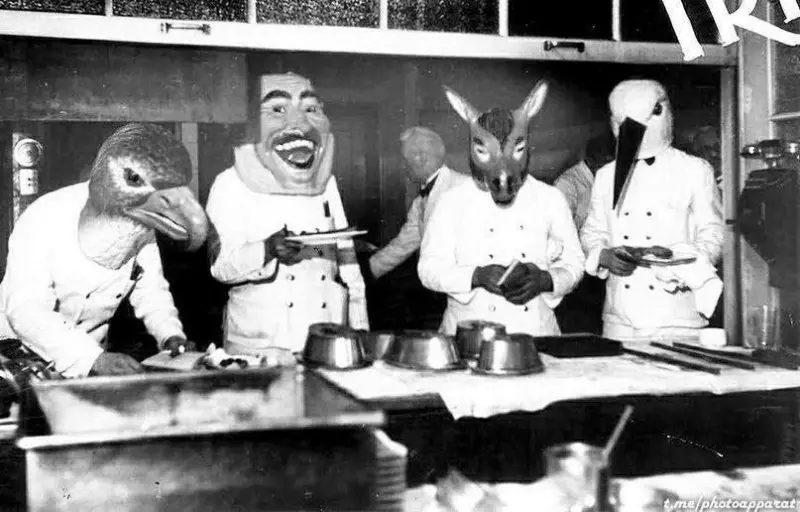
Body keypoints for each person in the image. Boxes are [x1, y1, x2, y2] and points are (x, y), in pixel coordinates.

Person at [0, 124, 207, 377]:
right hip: (17, 352)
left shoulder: (142, 225)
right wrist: (92, 359)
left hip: (89, 356)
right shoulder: (44, 216)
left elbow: (151, 291)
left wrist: (170, 335)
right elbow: (25, 310)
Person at [206, 72, 369, 359]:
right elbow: (220, 266)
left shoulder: (325, 182)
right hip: (262, 346)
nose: (300, 123)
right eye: (277, 109)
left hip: (326, 336)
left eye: (310, 109)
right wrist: (266, 250)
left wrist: (360, 327)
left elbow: (347, 259)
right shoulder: (229, 183)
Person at [418, 81, 585, 335]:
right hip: (468, 334)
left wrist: (546, 280)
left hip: (536, 333)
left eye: (516, 149)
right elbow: (428, 269)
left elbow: (574, 263)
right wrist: (475, 276)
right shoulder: (452, 201)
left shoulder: (550, 198)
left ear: (526, 148)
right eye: (484, 151)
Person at [581, 79, 724, 341]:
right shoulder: (605, 175)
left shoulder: (695, 170)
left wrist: (681, 263)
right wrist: (603, 255)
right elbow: (592, 232)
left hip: (677, 322)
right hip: (619, 322)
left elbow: (714, 235)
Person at [368, 127, 469, 279]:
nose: (403, 166)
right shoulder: (420, 202)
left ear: (420, 158)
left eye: (404, 159)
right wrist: (367, 270)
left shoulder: (465, 188)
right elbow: (404, 244)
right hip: (439, 284)